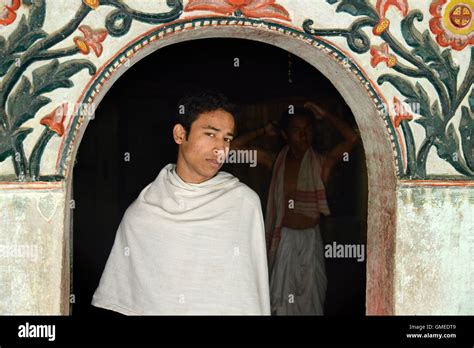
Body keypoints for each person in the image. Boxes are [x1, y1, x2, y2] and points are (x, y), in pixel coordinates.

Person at [91, 90, 271, 315]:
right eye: (210, 134)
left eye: (227, 139)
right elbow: (131, 301)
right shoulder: (143, 213)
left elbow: (247, 294)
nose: (220, 149)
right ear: (180, 134)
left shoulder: (244, 204)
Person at [231, 101, 359, 315]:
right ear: (284, 135)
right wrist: (263, 130)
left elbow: (353, 138)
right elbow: (233, 149)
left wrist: (325, 113)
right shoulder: (274, 161)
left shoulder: (322, 163)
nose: (303, 135)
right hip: (284, 241)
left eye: (308, 129)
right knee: (281, 304)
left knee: (311, 301)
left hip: (311, 240)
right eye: (296, 130)